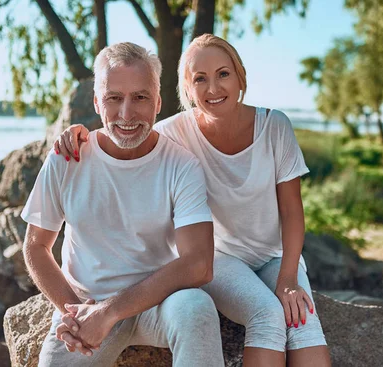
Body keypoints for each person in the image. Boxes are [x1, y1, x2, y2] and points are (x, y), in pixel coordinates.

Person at [56, 34, 332, 367]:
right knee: (268, 314)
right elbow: (124, 130)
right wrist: (79, 134)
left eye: (223, 74)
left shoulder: (275, 126)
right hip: (218, 258)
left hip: (274, 256)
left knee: (303, 321)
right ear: (187, 89)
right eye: (200, 78)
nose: (213, 88)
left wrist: (288, 279)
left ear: (240, 76)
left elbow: (291, 212)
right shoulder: (174, 132)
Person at [22, 42, 224, 367]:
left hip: (157, 303)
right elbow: (35, 246)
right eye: (114, 98)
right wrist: (77, 316)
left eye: (140, 97)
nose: (126, 114)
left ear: (158, 102)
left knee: (196, 309)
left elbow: (199, 264)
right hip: (84, 302)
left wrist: (109, 312)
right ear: (96, 101)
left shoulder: (181, 165)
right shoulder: (67, 158)